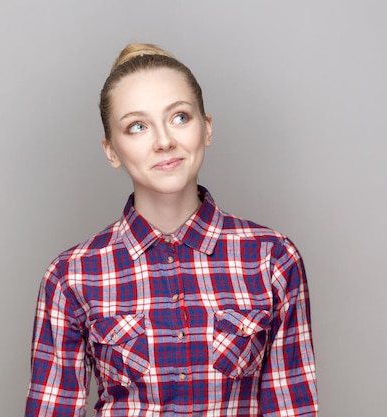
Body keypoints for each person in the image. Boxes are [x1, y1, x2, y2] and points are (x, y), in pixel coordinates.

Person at [25, 43, 318, 416]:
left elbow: (291, 408)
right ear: (111, 150)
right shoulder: (71, 277)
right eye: (137, 126)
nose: (164, 141)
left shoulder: (272, 259)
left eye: (179, 117)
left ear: (206, 127)